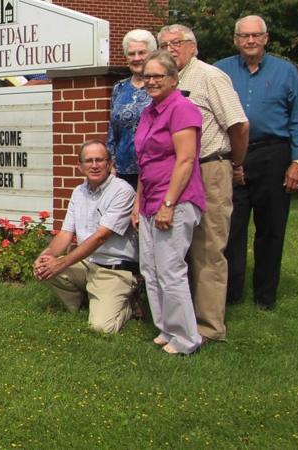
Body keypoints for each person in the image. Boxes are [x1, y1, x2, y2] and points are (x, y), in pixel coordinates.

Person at [216, 15, 298, 311]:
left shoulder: (286, 71)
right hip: (233, 154)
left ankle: (265, 297)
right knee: (232, 227)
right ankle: (231, 295)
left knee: (271, 228)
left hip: (273, 154)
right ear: (236, 39)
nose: (250, 41)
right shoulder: (221, 70)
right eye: (244, 36)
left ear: (266, 38)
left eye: (256, 35)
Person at [159, 23, 249, 341]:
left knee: (209, 247)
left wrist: (234, 163)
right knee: (179, 249)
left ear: (193, 46)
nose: (171, 48)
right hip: (178, 173)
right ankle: (180, 320)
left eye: (178, 43)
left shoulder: (210, 77)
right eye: (164, 43)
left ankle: (210, 327)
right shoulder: (169, 84)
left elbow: (238, 125)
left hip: (210, 167)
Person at [133, 50, 204, 356]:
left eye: (157, 76)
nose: (151, 81)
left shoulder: (182, 108)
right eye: (147, 76)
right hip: (149, 199)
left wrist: (169, 203)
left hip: (176, 200)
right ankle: (167, 329)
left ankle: (187, 339)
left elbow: (186, 160)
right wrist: (138, 203)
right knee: (150, 267)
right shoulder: (149, 111)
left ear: (174, 79)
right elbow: (144, 161)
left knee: (171, 268)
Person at [33, 141, 140, 334]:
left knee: (101, 328)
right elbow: (66, 233)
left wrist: (62, 262)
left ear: (109, 164)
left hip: (113, 270)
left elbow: (100, 237)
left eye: (100, 160)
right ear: (80, 166)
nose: (95, 165)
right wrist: (45, 255)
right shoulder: (78, 192)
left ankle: (129, 305)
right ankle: (81, 304)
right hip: (87, 264)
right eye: (89, 161)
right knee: (45, 266)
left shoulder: (122, 191)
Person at [107, 29, 156, 188]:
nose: (136, 58)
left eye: (142, 52)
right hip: (123, 171)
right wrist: (111, 163)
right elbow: (113, 131)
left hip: (153, 169)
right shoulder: (119, 88)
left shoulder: (160, 86)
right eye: (131, 53)